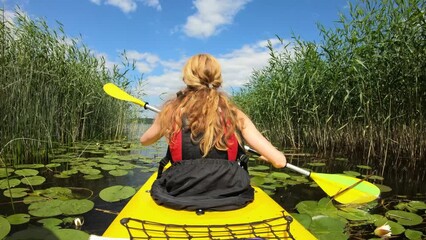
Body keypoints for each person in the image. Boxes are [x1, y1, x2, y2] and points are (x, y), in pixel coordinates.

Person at [140, 53, 287, 211]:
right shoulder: (234, 113)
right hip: (231, 191)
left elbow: (145, 140)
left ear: (186, 79)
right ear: (217, 78)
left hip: (179, 189)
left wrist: (163, 118)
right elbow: (279, 161)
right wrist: (268, 156)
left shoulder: (172, 111)